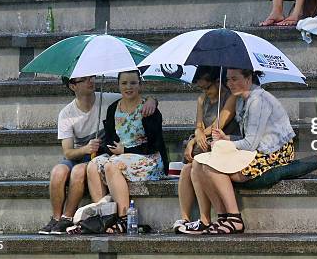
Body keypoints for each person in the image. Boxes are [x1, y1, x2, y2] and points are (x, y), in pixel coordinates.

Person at [38, 75, 156, 234]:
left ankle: (67, 217)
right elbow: (68, 152)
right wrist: (85, 149)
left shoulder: (106, 98)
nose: (91, 81)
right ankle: (56, 218)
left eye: (92, 77)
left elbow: (133, 94)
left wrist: (152, 100)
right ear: (73, 86)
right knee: (57, 172)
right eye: (84, 79)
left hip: (98, 155)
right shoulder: (66, 113)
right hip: (79, 154)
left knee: (79, 171)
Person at [190, 69, 295, 234]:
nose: (229, 84)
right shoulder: (241, 99)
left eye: (234, 79)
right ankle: (222, 216)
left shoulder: (258, 101)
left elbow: (250, 144)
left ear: (248, 78)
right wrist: (226, 138)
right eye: (227, 79)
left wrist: (228, 143)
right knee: (198, 163)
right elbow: (247, 137)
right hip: (254, 147)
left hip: (274, 151)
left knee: (213, 166)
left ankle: (235, 218)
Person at [86, 70, 167, 234]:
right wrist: (107, 148)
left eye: (133, 83)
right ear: (118, 85)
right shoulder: (113, 108)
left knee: (111, 166)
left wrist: (126, 150)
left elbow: (154, 144)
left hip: (148, 158)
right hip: (121, 156)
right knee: (93, 165)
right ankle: (105, 215)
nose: (128, 87)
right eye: (124, 83)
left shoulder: (148, 109)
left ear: (140, 85)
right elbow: (110, 139)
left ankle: (124, 218)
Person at [173, 66, 240, 234]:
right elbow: (198, 126)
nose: (205, 91)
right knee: (186, 169)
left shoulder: (230, 97)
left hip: (224, 144)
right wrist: (195, 137)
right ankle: (186, 218)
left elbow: (219, 124)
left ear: (218, 82)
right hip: (204, 143)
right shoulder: (201, 99)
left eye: (208, 87)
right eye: (201, 88)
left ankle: (205, 219)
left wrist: (195, 139)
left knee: (196, 162)